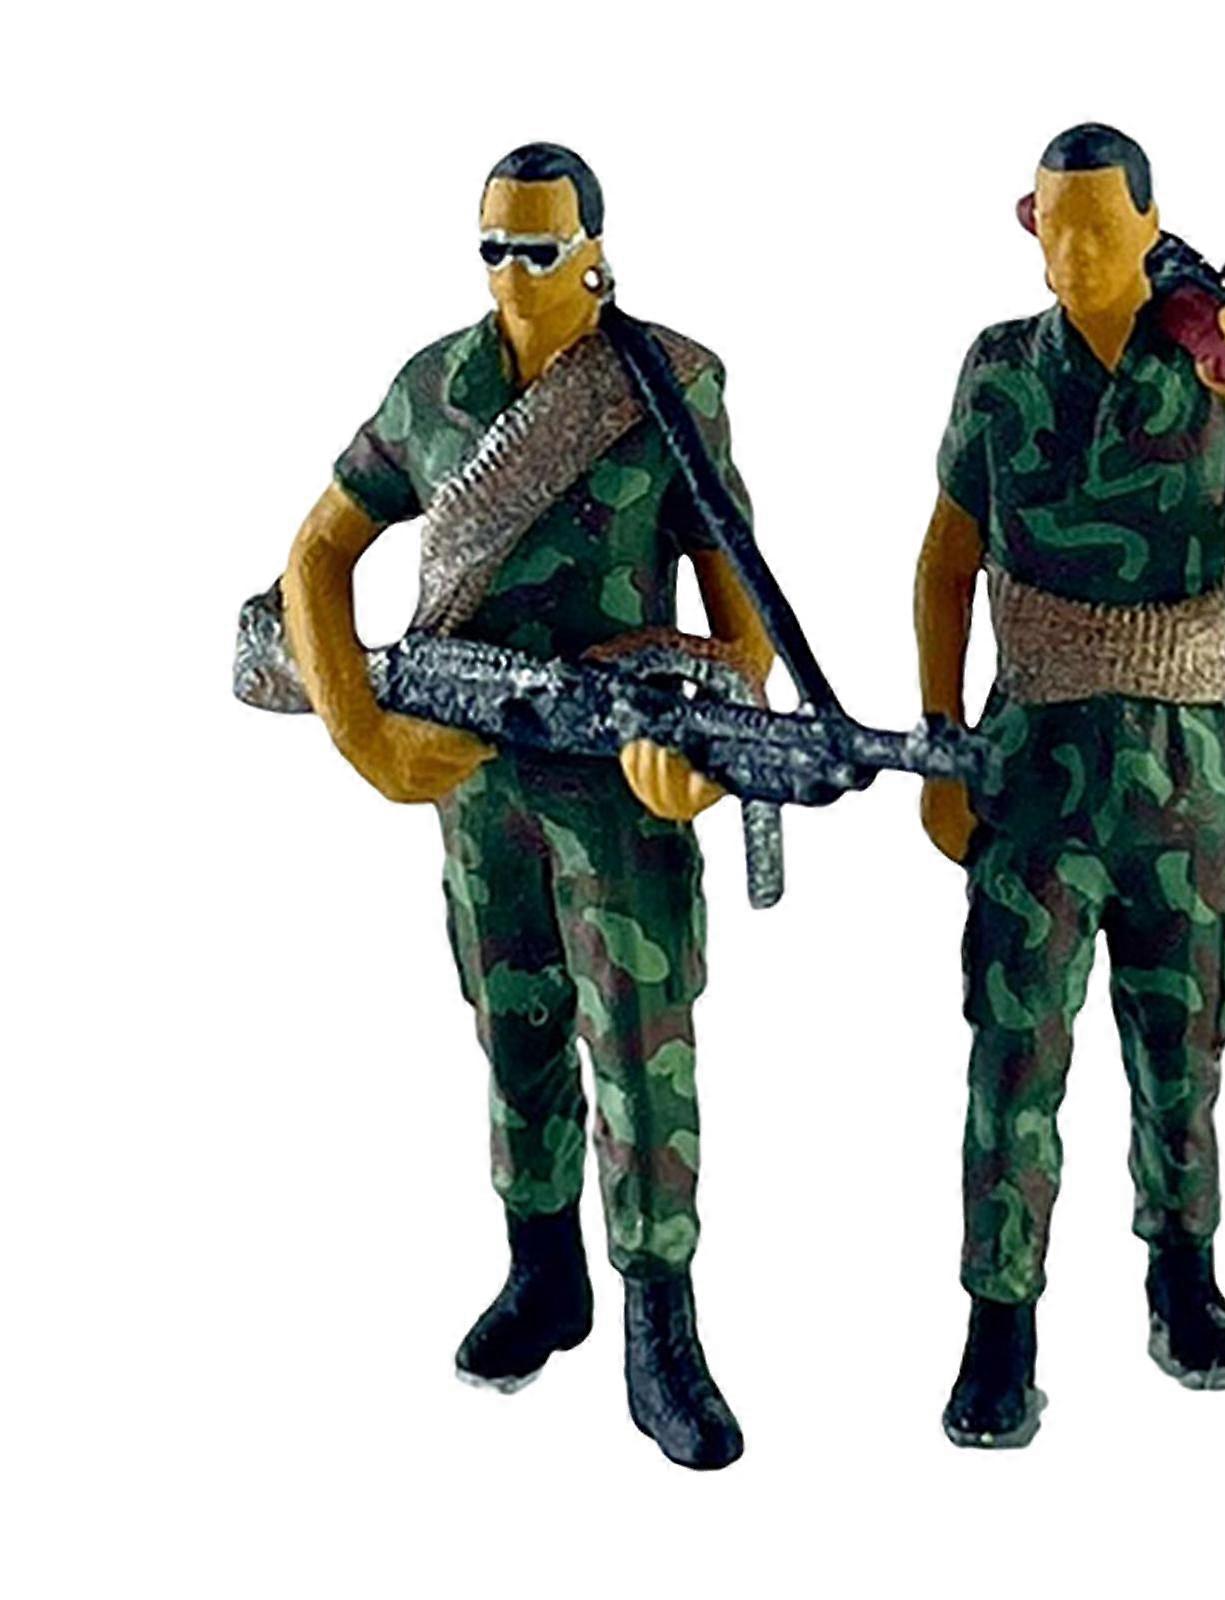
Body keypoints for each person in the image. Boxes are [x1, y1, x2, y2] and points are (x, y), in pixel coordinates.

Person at [277, 142, 769, 1470]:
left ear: (594, 251)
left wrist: (703, 749)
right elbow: (315, 554)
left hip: (617, 786)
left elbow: (743, 634)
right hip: (474, 775)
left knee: (643, 1049)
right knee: (513, 1021)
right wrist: (363, 736)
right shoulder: (436, 389)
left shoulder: (666, 384)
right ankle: (543, 1269)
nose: (512, 273)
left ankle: (660, 1326)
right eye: (493, 245)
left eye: (539, 249)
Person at [914, 123, 1225, 1446]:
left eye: (1104, 224)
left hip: (1181, 783)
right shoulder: (1000, 368)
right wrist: (940, 746)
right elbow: (946, 561)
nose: (1078, 250)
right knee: (1012, 1054)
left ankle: (1184, 1287)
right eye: (1058, 223)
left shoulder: (1210, 369)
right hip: (1029, 772)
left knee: (1182, 1046)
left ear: (1152, 227)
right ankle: (999, 1328)